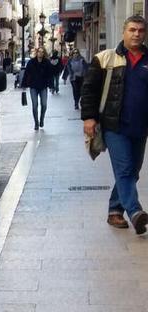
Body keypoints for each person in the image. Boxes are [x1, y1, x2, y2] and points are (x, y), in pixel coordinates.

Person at [82, 15, 148, 233]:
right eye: (132, 30)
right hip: (114, 126)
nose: (137, 34)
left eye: (140, 30)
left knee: (133, 171)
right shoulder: (105, 59)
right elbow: (89, 90)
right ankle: (135, 211)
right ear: (123, 32)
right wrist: (89, 118)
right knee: (125, 169)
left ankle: (114, 210)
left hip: (140, 127)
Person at [22, 48, 54, 130]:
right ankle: (36, 123)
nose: (40, 53)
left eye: (42, 52)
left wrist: (51, 86)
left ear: (44, 53)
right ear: (37, 53)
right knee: (35, 105)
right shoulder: (31, 62)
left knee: (44, 104)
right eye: (39, 52)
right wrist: (24, 85)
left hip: (43, 86)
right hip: (33, 86)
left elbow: (50, 74)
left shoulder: (47, 62)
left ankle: (42, 119)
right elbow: (26, 73)